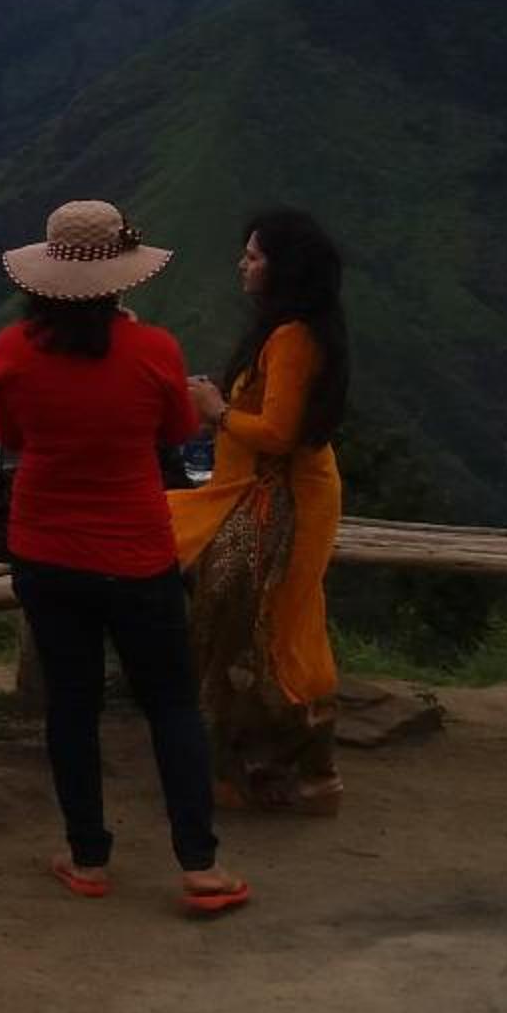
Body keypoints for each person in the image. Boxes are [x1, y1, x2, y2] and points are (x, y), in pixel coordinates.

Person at [0, 200, 249, 917]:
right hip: (136, 552)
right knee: (170, 703)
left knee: (72, 705)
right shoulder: (154, 351)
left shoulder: (11, 352)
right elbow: (177, 430)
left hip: (45, 550)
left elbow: (13, 436)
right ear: (119, 278)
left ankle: (87, 858)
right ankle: (200, 866)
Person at [171, 207, 350, 815]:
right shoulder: (291, 331)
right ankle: (286, 767)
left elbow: (279, 433)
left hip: (281, 500)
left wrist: (216, 410)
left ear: (282, 269)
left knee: (262, 623)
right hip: (264, 493)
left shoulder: (292, 337)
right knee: (266, 620)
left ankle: (274, 767)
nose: (241, 265)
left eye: (253, 257)